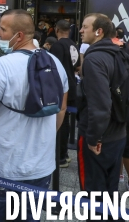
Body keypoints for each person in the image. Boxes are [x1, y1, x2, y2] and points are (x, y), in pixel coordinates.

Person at [0, 9, 68, 222]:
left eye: (3, 30)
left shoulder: (3, 66)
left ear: (19, 36)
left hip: (0, 168)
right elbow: (61, 110)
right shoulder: (56, 64)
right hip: (40, 168)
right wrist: (43, 138)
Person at [77, 13, 129, 196]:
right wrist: (123, 107)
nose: (80, 30)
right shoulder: (121, 52)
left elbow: (101, 105)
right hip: (119, 133)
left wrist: (94, 137)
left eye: (85, 26)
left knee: (93, 194)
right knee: (109, 190)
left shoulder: (95, 58)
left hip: (100, 137)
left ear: (99, 31)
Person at [49, 19, 80, 168]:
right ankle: (64, 153)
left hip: (61, 87)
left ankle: (60, 156)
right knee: (66, 122)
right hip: (72, 85)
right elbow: (77, 66)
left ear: (57, 29)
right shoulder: (74, 45)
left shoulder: (57, 46)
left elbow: (53, 67)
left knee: (60, 122)